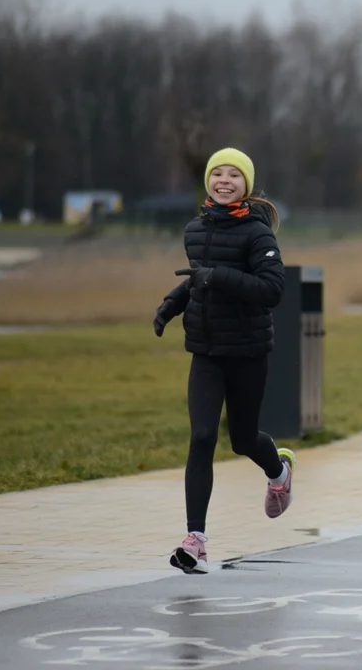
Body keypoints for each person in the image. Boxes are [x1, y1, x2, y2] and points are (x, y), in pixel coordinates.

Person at [153, 147, 295, 574]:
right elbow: (198, 279)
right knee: (201, 437)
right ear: (208, 182)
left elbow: (272, 289)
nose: (224, 181)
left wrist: (218, 277)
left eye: (234, 175)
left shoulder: (258, 233)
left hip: (249, 352)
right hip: (206, 351)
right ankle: (195, 539)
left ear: (246, 185)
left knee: (242, 438)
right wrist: (171, 304)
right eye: (218, 174)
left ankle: (279, 472)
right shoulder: (194, 229)